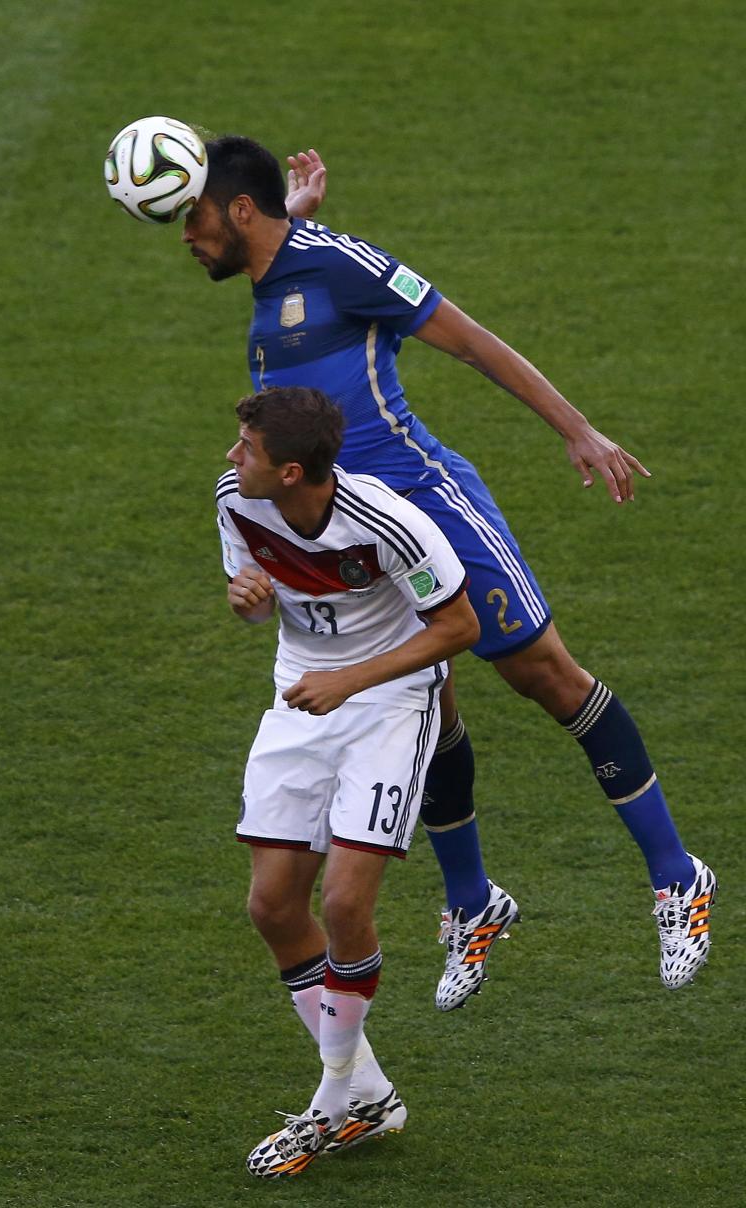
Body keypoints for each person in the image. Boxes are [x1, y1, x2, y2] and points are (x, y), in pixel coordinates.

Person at [184, 135, 716, 1004]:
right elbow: (294, 275)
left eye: (196, 214)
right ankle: (474, 901)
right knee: (428, 706)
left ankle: (676, 874)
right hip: (366, 544)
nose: (183, 233)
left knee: (544, 675)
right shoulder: (271, 284)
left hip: (430, 505)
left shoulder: (341, 267)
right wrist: (296, 222)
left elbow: (470, 340)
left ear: (241, 210)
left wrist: (577, 429)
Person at [217, 385, 479, 1178]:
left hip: (393, 699)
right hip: (302, 691)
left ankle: (333, 1103)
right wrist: (249, 603)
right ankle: (367, 1091)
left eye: (247, 448)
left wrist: (355, 680)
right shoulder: (237, 501)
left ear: (292, 471)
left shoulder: (390, 523)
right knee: (270, 905)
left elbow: (458, 627)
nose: (232, 458)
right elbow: (255, 606)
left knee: (343, 902)